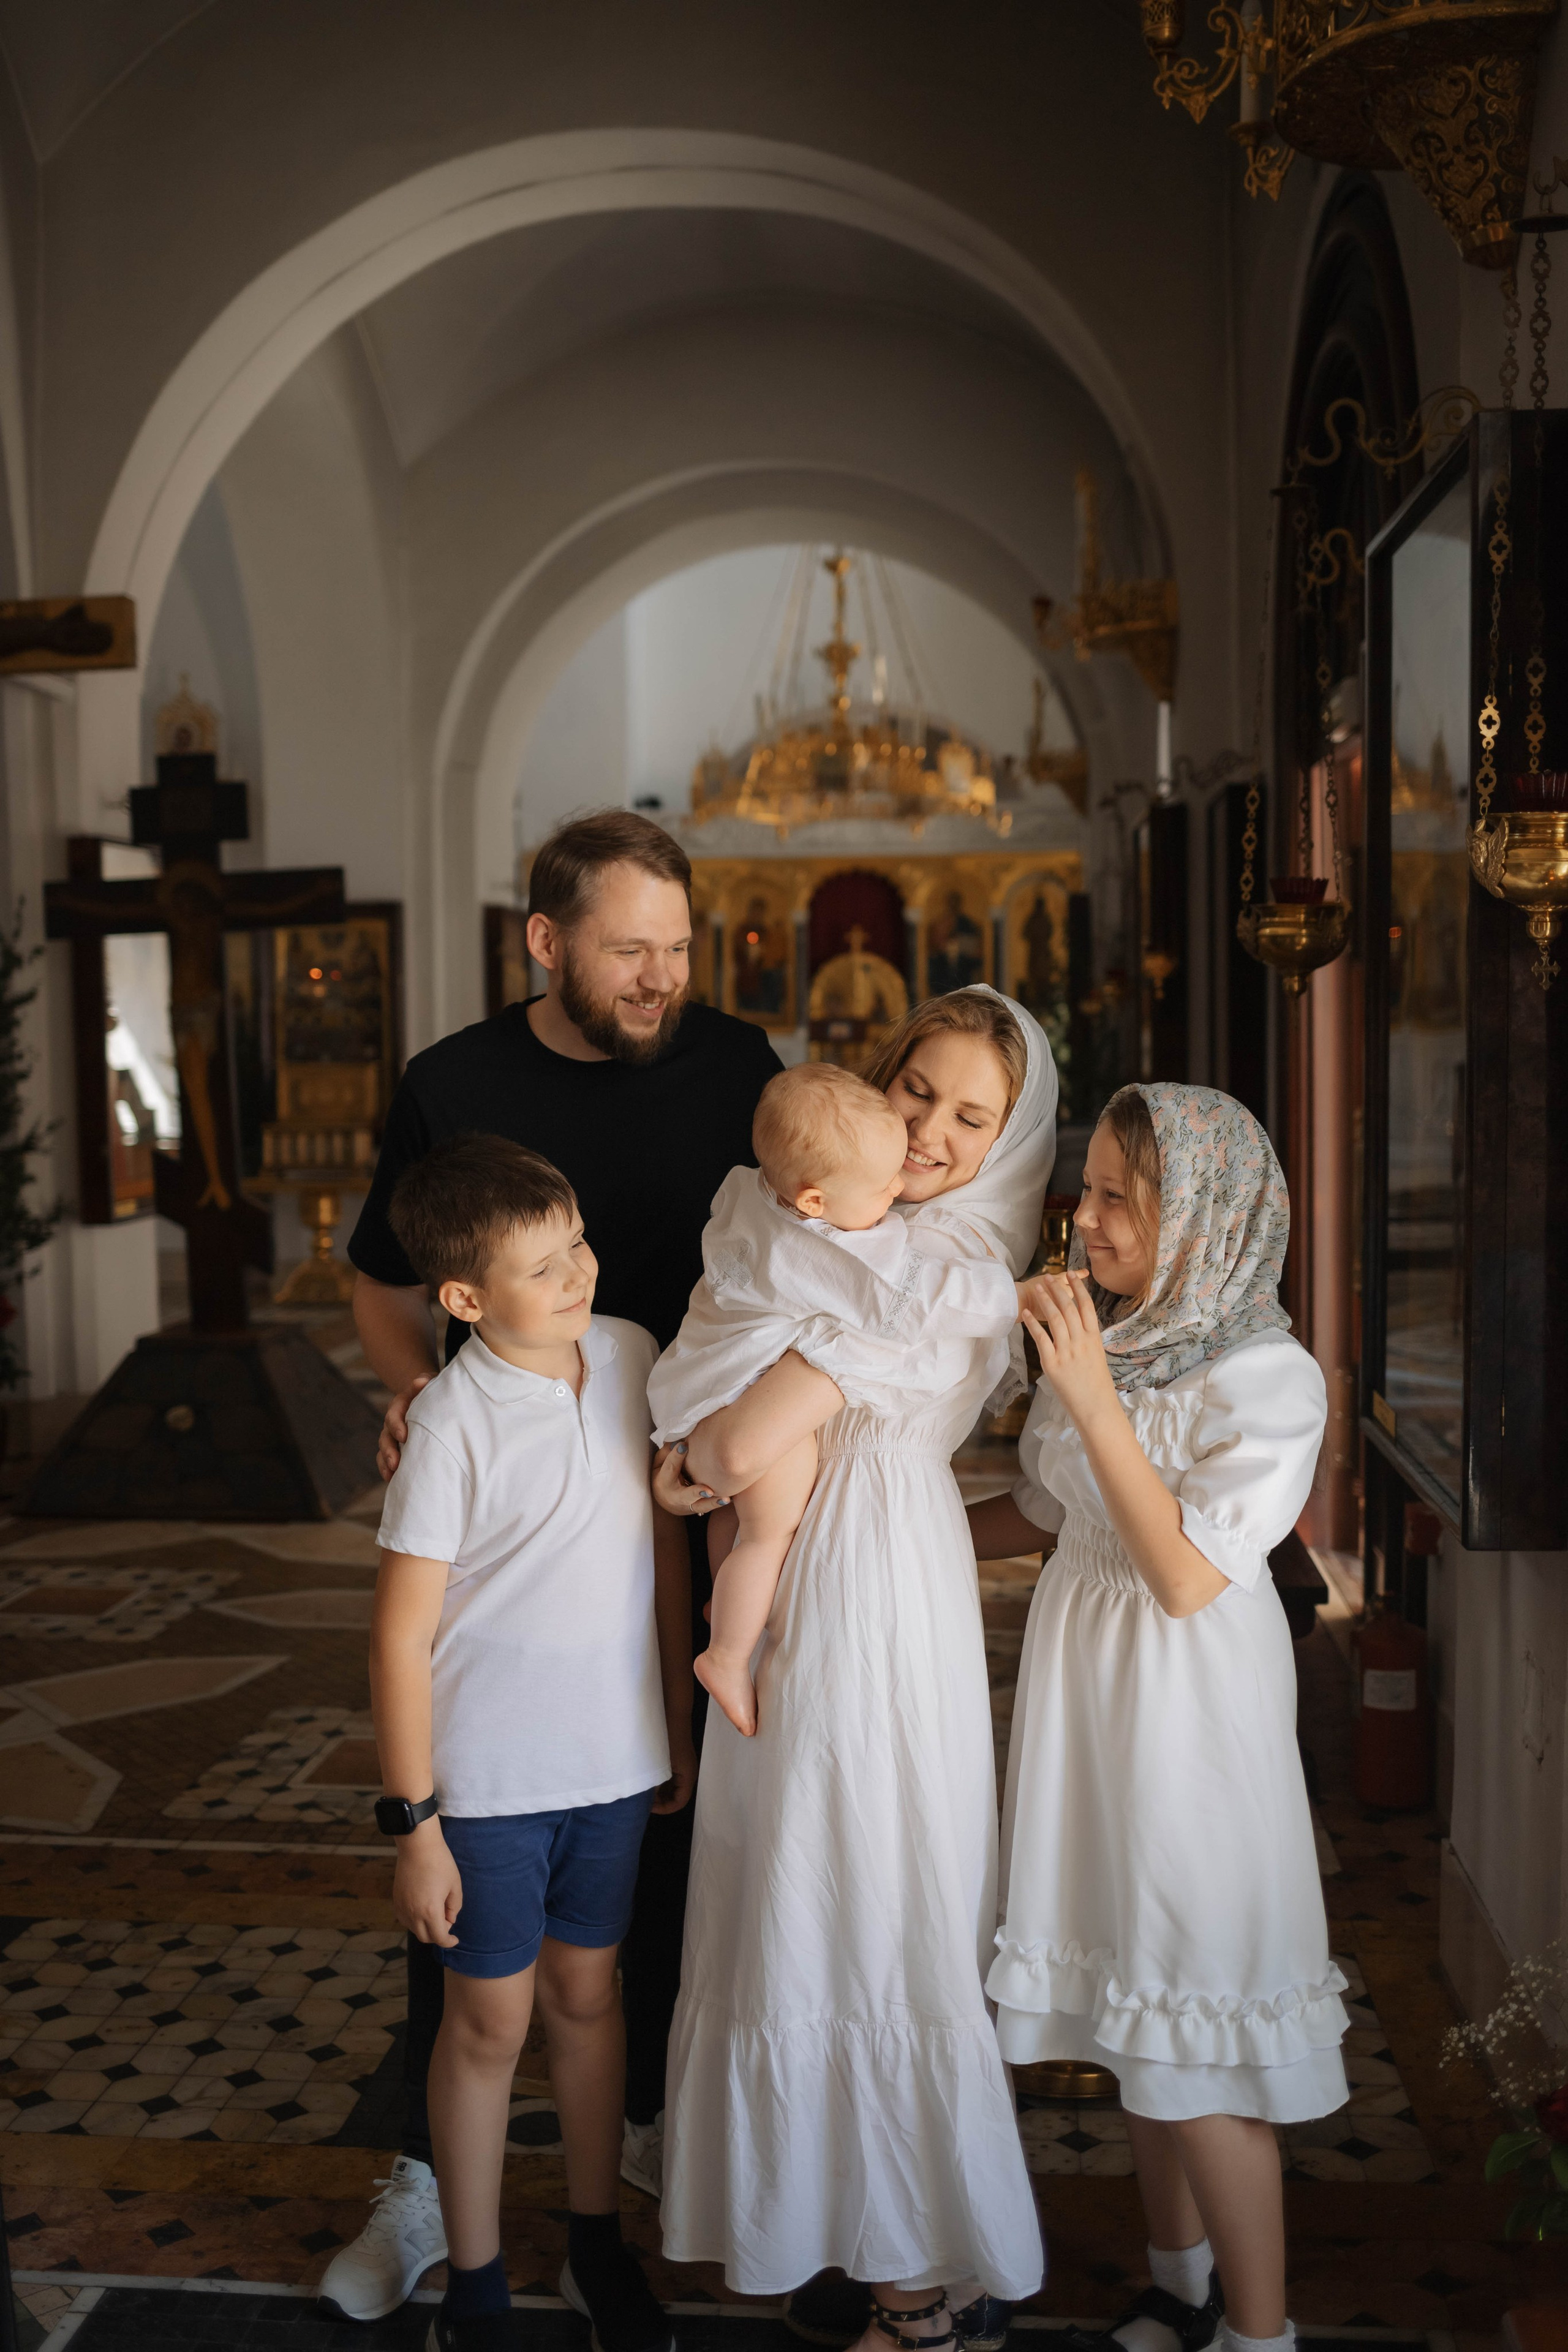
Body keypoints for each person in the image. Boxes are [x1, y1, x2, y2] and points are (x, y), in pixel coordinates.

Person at [321, 810, 778, 2322]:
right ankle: (437, 2203)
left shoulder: (736, 1068)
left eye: (677, 946)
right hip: (502, 1475)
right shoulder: (450, 1085)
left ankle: (630, 2160)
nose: (662, 976)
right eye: (628, 948)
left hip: (681, 1499)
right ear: (546, 940)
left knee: (641, 1904)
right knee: (472, 1960)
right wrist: (415, 1392)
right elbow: (386, 1288)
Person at [654, 986, 1057, 2351]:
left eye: (970, 1115)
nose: (931, 1128)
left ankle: (911, 2271)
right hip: (812, 1550)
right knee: (785, 1877)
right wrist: (702, 1453)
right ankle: (799, 2213)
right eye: (915, 1091)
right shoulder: (837, 1218)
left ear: (1009, 1137)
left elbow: (733, 1441)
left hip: (871, 1574)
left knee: (868, 1883)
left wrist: (701, 1461)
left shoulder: (951, 1266)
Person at [968, 1084, 1346, 2352]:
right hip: (1087, 1710)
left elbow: (1186, 1573)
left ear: (1205, 1219)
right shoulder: (1118, 1338)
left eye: (1124, 1193)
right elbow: (1043, 1513)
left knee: (1195, 2025)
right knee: (1134, 2013)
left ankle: (1259, 2334)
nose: (1087, 1214)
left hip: (1186, 1723)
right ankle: (1174, 2280)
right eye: (1088, 1185)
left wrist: (1085, 1396)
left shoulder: (1267, 1378)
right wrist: (860, 1532)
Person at [369, 1134, 696, 2352]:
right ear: (463, 1300)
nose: (577, 1277)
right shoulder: (451, 1422)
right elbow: (399, 1641)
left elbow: (663, 1556)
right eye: (541, 1267)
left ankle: (594, 2247)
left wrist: (675, 1718)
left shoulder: (627, 1356)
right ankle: (477, 2282)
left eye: (577, 1248)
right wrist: (416, 1824)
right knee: (489, 2026)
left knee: (588, 1998)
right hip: (490, 1787)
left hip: (612, 1766)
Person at [650, 1059, 1060, 1738]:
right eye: (917, 1093)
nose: (915, 1150)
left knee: (743, 1528)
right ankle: (726, 1650)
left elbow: (721, 1463)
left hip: (716, 1400)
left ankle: (728, 1611)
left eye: (969, 1116)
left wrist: (695, 1474)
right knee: (766, 1529)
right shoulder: (837, 1248)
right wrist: (1009, 1298)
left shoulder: (755, 1189)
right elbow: (913, 1295)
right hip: (746, 1411)